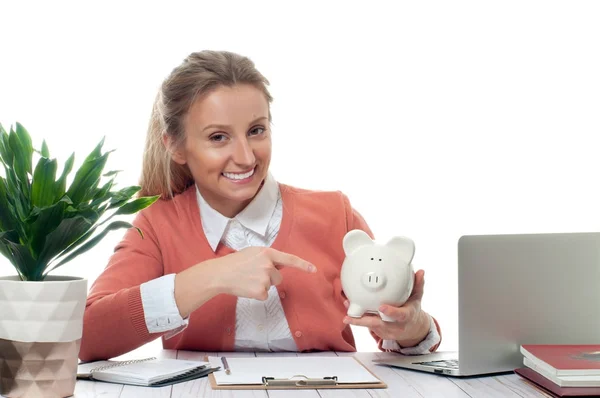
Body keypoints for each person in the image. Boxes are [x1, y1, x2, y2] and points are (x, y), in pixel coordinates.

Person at [79, 50, 442, 361]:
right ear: (175, 147)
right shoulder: (157, 225)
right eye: (218, 137)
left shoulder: (335, 214)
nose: (245, 157)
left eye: (257, 130)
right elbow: (87, 334)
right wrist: (210, 277)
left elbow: (394, 330)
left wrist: (412, 326)